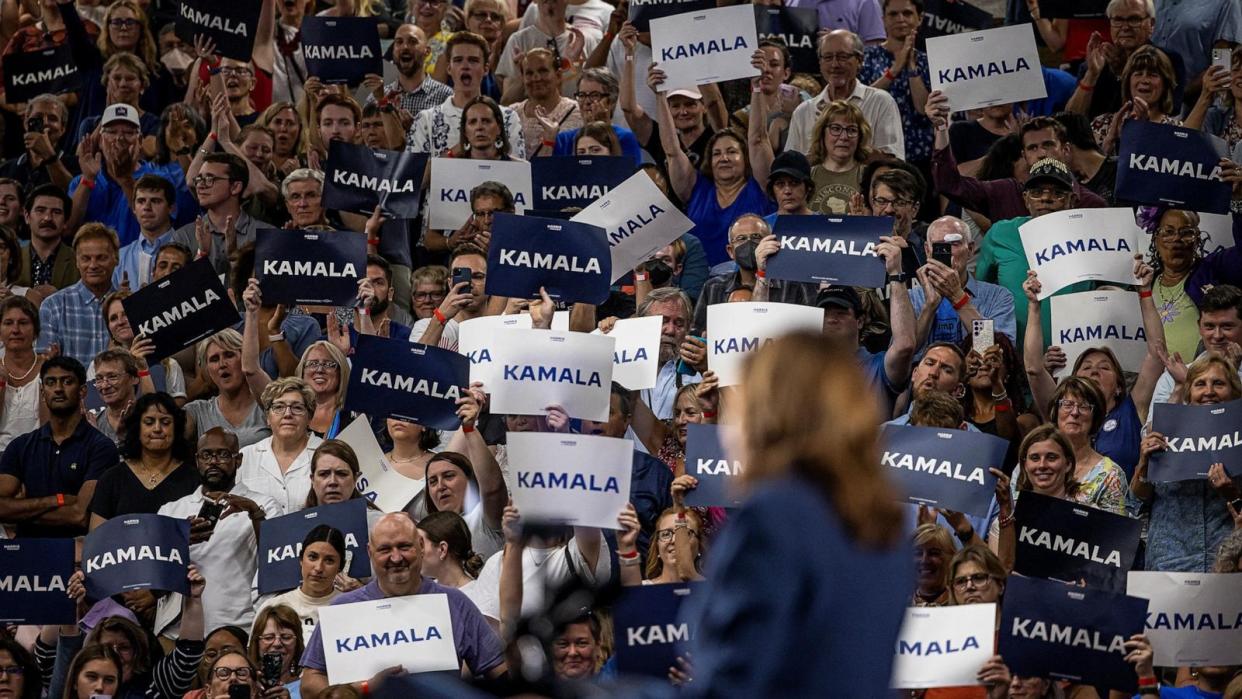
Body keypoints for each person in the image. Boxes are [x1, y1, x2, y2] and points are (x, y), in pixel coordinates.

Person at [676, 332, 910, 696]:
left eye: (740, 408)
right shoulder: (882, 520)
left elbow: (732, 680)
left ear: (768, 414)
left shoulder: (774, 515)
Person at [298, 513, 506, 699]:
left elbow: (499, 671)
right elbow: (308, 685)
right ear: (370, 553)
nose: (396, 558)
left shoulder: (454, 602)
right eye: (385, 549)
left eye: (404, 547)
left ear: (421, 547)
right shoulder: (341, 609)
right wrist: (365, 688)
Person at [158, 427, 282, 634]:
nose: (213, 461)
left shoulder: (263, 505)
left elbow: (276, 562)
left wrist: (255, 515)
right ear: (197, 460)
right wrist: (178, 541)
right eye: (206, 455)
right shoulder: (171, 510)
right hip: (178, 630)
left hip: (239, 626)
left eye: (223, 454)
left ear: (239, 460)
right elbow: (155, 573)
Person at [655, 56, 775, 265]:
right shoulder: (695, 188)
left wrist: (757, 89)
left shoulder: (761, 186)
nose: (724, 158)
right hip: (699, 283)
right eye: (717, 153)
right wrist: (660, 96)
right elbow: (672, 151)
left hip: (749, 278)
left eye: (731, 151)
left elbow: (758, 139)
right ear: (709, 161)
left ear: (745, 158)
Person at [1133, 354, 1242, 572]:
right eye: (1200, 384)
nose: (1209, 391)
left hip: (1226, 563)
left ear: (1235, 392)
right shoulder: (1165, 432)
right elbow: (1136, 500)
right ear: (1189, 393)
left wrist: (1232, 493)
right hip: (1169, 562)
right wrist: (1144, 463)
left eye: (1218, 383)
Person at [976, 158, 1095, 349]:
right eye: (1037, 192)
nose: (1046, 198)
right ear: (1025, 199)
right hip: (1013, 360)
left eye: (1057, 193)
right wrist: (982, 349)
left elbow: (1112, 292)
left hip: (1076, 359)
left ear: (1072, 200)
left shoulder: (1093, 238)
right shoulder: (1001, 234)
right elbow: (981, 297)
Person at [928, 100, 1108, 222]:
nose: (1041, 154)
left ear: (1066, 149)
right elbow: (949, 184)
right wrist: (941, 128)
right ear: (1024, 155)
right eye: (1032, 148)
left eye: (1048, 145)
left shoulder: (1093, 206)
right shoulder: (1004, 193)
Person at [0, 356, 118, 538]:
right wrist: (56, 500)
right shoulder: (21, 446)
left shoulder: (101, 447)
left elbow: (79, 515)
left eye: (67, 382)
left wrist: (20, 511)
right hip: (25, 553)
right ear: (42, 391)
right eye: (50, 382)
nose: (58, 389)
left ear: (83, 391)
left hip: (76, 555)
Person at [68, 104, 197, 246]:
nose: (120, 138)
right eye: (111, 132)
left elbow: (160, 230)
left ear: (140, 140)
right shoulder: (82, 182)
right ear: (100, 140)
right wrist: (87, 180)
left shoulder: (162, 179)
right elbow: (69, 231)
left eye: (129, 132)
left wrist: (125, 180)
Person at [787, 30, 903, 159]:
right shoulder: (803, 112)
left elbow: (894, 162)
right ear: (820, 63)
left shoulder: (880, 102)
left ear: (859, 60)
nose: (835, 64)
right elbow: (792, 166)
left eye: (842, 57)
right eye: (828, 57)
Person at [88, 392, 197, 528]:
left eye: (165, 422)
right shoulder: (112, 479)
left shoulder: (194, 479)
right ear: (137, 428)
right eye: (149, 422)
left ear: (176, 429)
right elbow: (97, 538)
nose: (157, 429)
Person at [407, 32, 525, 156]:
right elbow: (416, 173)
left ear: (486, 69)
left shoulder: (508, 118)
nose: (465, 66)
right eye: (458, 60)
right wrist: (453, 153)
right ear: (449, 69)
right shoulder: (426, 120)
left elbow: (518, 172)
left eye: (473, 60)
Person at [1065, 0, 1186, 120]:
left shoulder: (1168, 60)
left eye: (1134, 19)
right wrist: (1091, 75)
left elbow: (1170, 111)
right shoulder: (1094, 65)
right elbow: (1071, 119)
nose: (1125, 27)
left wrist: (1124, 71)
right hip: (1097, 137)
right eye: (1118, 20)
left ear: (1151, 24)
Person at [910, 216, 1016, 352]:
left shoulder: (998, 296)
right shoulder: (912, 297)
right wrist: (929, 307)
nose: (948, 253)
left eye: (954, 244)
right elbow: (905, 356)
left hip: (974, 372)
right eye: (939, 246)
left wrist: (958, 298)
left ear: (970, 249)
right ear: (927, 250)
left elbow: (998, 354)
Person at [692, 215, 814, 331]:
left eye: (756, 237)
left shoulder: (797, 285)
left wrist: (763, 270)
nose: (749, 243)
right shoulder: (713, 287)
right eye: (741, 239)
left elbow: (812, 334)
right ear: (730, 251)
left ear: (772, 243)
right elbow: (696, 333)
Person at [860, 0, 932, 167]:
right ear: (883, 19)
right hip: (878, 155)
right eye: (893, 14)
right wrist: (895, 69)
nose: (900, 19)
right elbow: (861, 102)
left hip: (921, 156)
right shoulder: (867, 58)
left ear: (919, 18)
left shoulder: (929, 61)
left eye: (907, 13)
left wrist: (911, 66)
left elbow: (923, 108)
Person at [36, 223, 120, 366]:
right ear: (77, 261)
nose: (93, 265)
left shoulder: (128, 304)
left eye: (101, 258)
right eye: (86, 258)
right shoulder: (53, 306)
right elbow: (45, 366)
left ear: (116, 259)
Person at [1149, 285, 1242, 411]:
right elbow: (1152, 430)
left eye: (1227, 327)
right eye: (1209, 326)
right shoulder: (1173, 377)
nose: (1217, 335)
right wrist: (1183, 385)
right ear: (1199, 328)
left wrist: (1232, 375)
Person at [238, 378, 324, 514]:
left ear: (309, 417)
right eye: (279, 407)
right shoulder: (246, 457)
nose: (288, 414)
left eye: (297, 407)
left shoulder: (328, 454)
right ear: (267, 417)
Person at [170, 153, 263, 278]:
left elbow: (268, 289)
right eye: (198, 179)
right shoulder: (182, 237)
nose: (200, 186)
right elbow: (177, 292)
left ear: (235, 187)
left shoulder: (264, 236)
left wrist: (235, 258)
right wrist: (201, 254)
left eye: (210, 179)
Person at [257, 525, 346, 643]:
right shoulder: (273, 606)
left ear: (340, 567)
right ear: (301, 559)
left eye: (329, 560)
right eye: (313, 557)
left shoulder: (351, 606)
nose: (319, 568)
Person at [185, 329, 271, 449]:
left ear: (244, 359)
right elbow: (160, 429)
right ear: (207, 369)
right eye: (214, 359)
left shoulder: (266, 404)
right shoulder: (198, 411)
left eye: (229, 355)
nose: (222, 364)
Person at [1091, 45, 1181, 156]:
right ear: (1128, 82)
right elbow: (1088, 170)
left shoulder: (1176, 131)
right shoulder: (1102, 123)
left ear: (1165, 84)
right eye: (1138, 74)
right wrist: (1110, 140)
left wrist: (1143, 129)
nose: (1144, 80)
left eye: (1153, 75)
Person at [553, 68, 642, 163]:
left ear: (611, 101)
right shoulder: (564, 140)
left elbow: (628, 174)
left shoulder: (626, 138)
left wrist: (602, 129)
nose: (587, 102)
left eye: (595, 95)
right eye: (582, 95)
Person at [510, 48, 583, 158]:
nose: (536, 78)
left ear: (558, 76)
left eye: (543, 71)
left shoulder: (578, 113)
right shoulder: (511, 114)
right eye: (529, 73)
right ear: (523, 79)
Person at [372, 24, 453, 120]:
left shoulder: (445, 96)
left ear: (427, 51)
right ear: (393, 51)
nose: (405, 47)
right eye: (399, 42)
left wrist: (416, 130)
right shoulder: (377, 97)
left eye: (412, 42)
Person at [417, 511, 489, 618]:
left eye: (421, 545)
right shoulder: (422, 593)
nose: (415, 552)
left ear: (442, 549)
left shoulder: (477, 598)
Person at [805, 100, 871, 214]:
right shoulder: (807, 176)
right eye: (836, 128)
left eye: (852, 130)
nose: (844, 137)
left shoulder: (869, 177)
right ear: (822, 133)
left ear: (860, 136)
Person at [113, 174, 177, 289]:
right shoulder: (120, 257)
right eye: (141, 201)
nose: (147, 207)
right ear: (133, 208)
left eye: (155, 201)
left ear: (171, 208)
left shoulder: (188, 249)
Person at [0, 94, 75, 191]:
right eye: (38, 117)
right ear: (26, 123)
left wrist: (48, 155)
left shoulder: (76, 165)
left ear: (62, 128)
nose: (45, 123)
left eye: (52, 118)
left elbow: (73, 194)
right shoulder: (5, 170)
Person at [617, 503, 705, 586]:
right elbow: (633, 597)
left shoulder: (714, 592)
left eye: (685, 533)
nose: (675, 540)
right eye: (666, 534)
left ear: (699, 546)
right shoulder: (643, 588)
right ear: (657, 547)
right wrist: (627, 546)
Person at [0, 296, 44, 450]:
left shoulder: (50, 369)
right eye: (8, 323)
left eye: (23, 323)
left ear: (35, 331)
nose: (15, 330)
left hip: (40, 454)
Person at [17, 184, 77, 293]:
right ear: (26, 216)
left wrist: (58, 297)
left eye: (56, 212)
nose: (47, 218)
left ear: (66, 222)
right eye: (40, 210)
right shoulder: (11, 259)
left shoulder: (78, 260)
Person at [247, 605, 303, 694]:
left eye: (286, 637)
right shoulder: (245, 687)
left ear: (297, 643)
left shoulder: (308, 689)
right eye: (268, 638)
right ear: (257, 643)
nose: (277, 643)